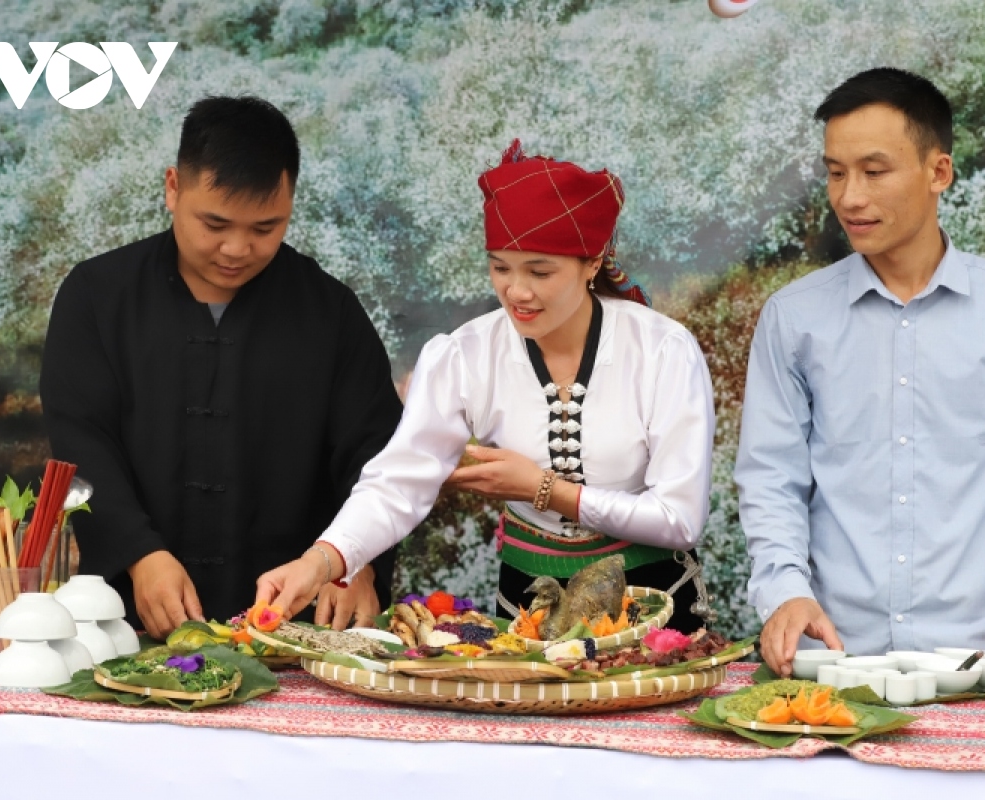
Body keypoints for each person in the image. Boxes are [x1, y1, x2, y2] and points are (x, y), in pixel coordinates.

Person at [256, 140, 717, 632]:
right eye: (500, 267)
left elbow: (679, 518)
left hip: (653, 610)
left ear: (592, 262)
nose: (516, 291)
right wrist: (321, 561)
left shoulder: (662, 350)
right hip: (529, 611)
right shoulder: (464, 355)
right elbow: (399, 483)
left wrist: (545, 489)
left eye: (540, 271)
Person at [734, 67, 985, 676]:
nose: (850, 197)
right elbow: (771, 476)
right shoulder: (794, 318)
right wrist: (785, 591)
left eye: (874, 172)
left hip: (979, 658)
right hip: (833, 663)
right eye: (836, 172)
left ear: (938, 172)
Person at [40, 96, 402, 638]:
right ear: (173, 188)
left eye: (265, 227)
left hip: (295, 628)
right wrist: (139, 553)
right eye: (215, 223)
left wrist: (354, 559)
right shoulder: (96, 297)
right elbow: (80, 442)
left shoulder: (331, 313)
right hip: (128, 621)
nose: (237, 248)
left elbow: (378, 456)